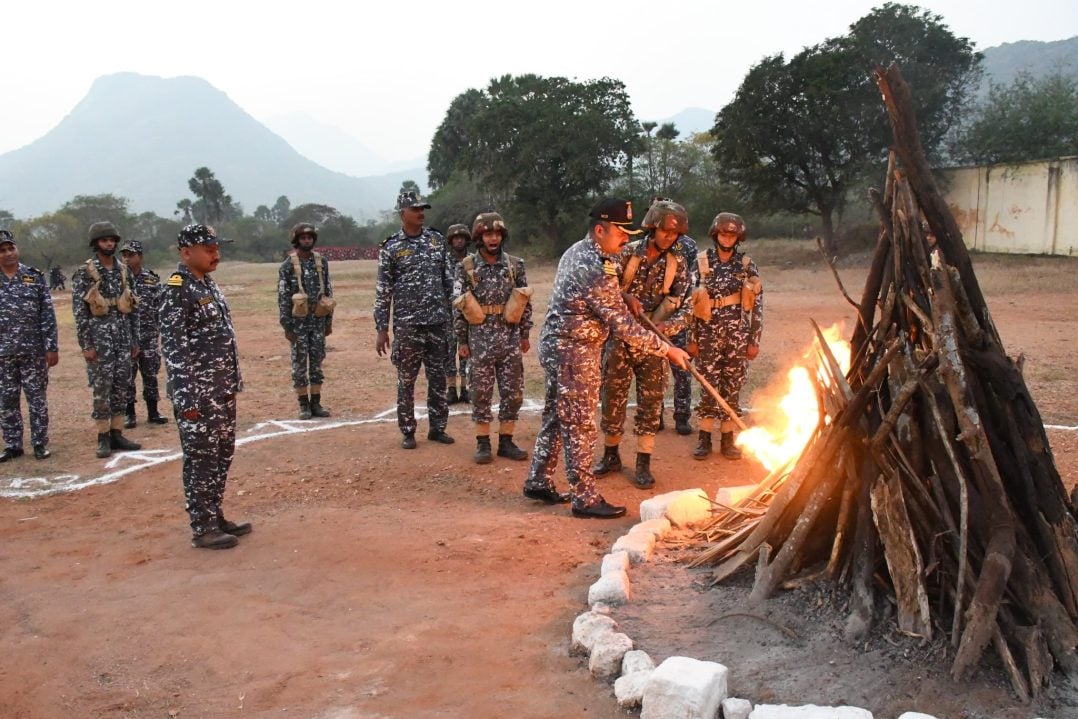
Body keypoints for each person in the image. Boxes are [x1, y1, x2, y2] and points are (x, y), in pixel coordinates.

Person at [522, 198, 690, 519]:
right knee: (581, 423)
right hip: (574, 352)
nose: (627, 238)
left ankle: (539, 479)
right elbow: (623, 326)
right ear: (600, 230)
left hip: (560, 347)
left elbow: (600, 298)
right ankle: (584, 498)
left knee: (557, 416)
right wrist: (667, 349)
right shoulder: (595, 266)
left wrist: (622, 294)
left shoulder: (583, 251)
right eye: (621, 232)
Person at [159, 224, 249, 550]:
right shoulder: (176, 288)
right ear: (186, 252)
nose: (216, 254)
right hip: (198, 393)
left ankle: (214, 514)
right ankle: (202, 527)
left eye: (216, 248)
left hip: (221, 388)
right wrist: (186, 397)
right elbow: (175, 348)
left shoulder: (207, 284)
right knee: (201, 458)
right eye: (208, 249)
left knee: (222, 453)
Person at [594, 198, 692, 488]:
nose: (669, 237)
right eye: (664, 231)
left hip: (654, 341)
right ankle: (611, 455)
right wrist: (625, 297)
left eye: (674, 233)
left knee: (651, 403)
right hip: (620, 337)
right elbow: (604, 285)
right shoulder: (625, 253)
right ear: (652, 227)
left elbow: (687, 307)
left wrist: (667, 326)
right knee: (613, 397)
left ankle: (643, 462)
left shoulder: (679, 264)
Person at [374, 189, 455, 449]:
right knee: (406, 380)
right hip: (408, 326)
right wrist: (381, 328)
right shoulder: (391, 247)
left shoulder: (436, 241)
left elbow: (448, 282)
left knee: (438, 377)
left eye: (422, 209)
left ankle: (437, 428)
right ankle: (408, 430)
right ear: (402, 213)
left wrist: (453, 317)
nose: (421, 213)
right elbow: (383, 291)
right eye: (415, 209)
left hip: (437, 322)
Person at [452, 212, 532, 464]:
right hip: (479, 340)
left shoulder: (515, 265)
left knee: (513, 393)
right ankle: (483, 443)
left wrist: (525, 334)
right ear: (479, 237)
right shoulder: (466, 268)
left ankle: (506, 442)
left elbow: (524, 300)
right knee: (480, 393)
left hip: (509, 339)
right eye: (488, 234)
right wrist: (462, 342)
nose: (493, 238)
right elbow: (459, 307)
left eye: (497, 233)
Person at [689, 212, 763, 460]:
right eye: (723, 233)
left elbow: (758, 305)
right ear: (715, 234)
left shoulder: (746, 266)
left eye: (732, 234)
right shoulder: (701, 262)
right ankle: (704, 437)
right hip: (707, 334)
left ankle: (728, 438)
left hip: (737, 337)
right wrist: (692, 338)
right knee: (708, 386)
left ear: (738, 237)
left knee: (732, 386)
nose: (727, 238)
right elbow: (690, 305)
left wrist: (754, 341)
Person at [71, 221, 141, 459]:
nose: (109, 243)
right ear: (95, 243)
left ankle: (117, 432)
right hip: (99, 338)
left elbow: (132, 306)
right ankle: (102, 436)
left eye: (112, 240)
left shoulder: (123, 270)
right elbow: (80, 312)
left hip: (122, 337)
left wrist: (135, 340)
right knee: (102, 387)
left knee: (122, 385)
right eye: (104, 240)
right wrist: (86, 345)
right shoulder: (85, 273)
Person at [0, 230, 59, 461]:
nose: (8, 254)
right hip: (3, 354)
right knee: (6, 401)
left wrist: (51, 347)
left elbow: (47, 314)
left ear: (17, 249)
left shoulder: (33, 277)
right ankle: (13, 445)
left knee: (37, 399)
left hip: (33, 351)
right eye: (2, 250)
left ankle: (39, 443)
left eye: (11, 248)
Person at [278, 222, 335, 420]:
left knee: (317, 361)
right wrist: (287, 326)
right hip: (298, 322)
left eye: (310, 238)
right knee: (300, 363)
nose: (307, 240)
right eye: (303, 238)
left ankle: (316, 402)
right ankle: (303, 404)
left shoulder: (322, 262)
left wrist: (328, 321)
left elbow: (328, 292)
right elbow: (283, 297)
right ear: (296, 240)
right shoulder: (287, 266)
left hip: (318, 320)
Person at [120, 239, 169, 427]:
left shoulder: (151, 279)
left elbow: (160, 306)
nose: (127, 259)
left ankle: (153, 412)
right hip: (126, 338)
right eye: (124, 255)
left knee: (150, 374)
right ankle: (129, 414)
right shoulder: (118, 279)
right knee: (127, 377)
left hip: (148, 336)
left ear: (140, 256)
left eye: (131, 255)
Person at [444, 224, 471, 405]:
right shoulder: (443, 261)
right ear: (450, 241)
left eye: (461, 237)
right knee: (448, 351)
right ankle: (451, 389)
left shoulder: (473, 261)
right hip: (446, 314)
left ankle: (465, 388)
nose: (458, 240)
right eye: (455, 238)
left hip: (468, 313)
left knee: (466, 351)